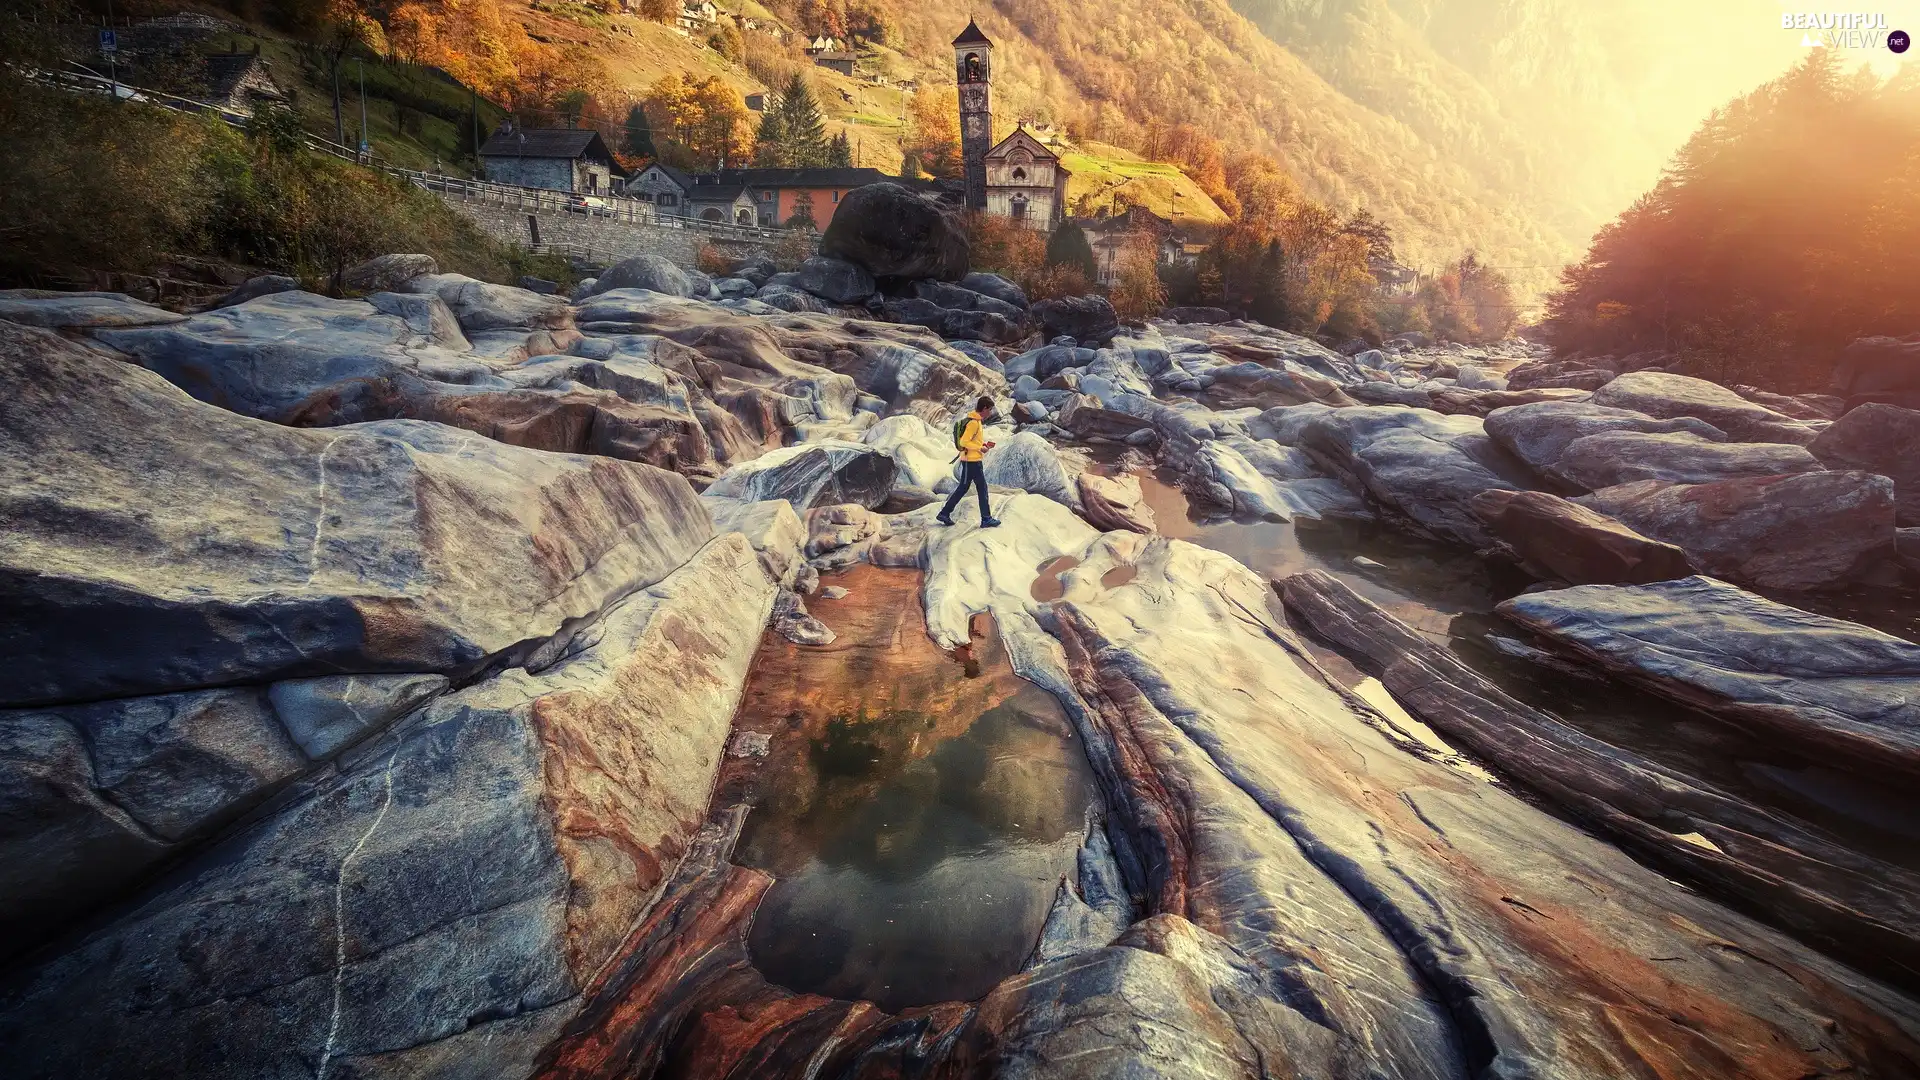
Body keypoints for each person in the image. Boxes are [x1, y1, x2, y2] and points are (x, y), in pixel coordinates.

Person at [938, 396, 1001, 527]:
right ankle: (985, 518)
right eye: (989, 410)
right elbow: (964, 442)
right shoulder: (973, 423)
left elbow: (971, 440)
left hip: (974, 461)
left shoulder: (977, 422)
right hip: (970, 462)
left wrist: (983, 445)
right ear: (984, 408)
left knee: (972, 488)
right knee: (974, 488)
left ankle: (945, 513)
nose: (990, 413)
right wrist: (980, 448)